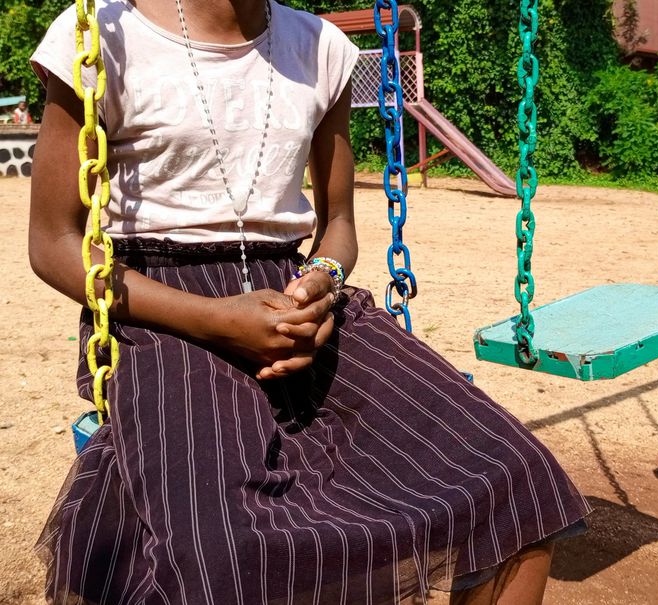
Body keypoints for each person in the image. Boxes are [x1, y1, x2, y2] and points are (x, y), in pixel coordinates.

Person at [28, 1, 590, 604]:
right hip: (160, 304)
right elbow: (54, 243)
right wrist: (215, 320)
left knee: (518, 477)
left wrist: (320, 282)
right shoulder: (103, 34)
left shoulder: (319, 46)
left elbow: (338, 223)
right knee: (222, 553)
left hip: (295, 294)